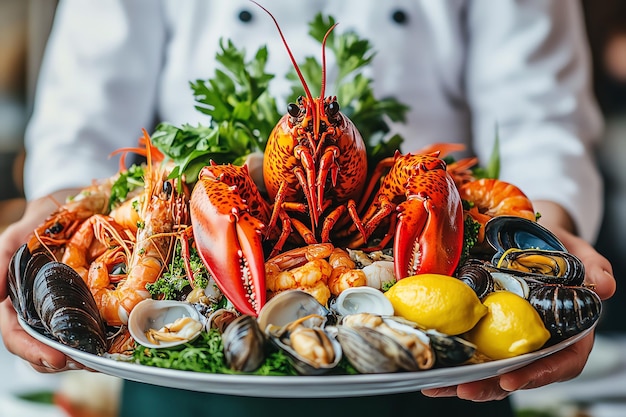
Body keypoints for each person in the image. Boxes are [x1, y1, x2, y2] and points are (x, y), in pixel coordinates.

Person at [0, 1, 615, 416]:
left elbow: (543, 115)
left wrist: (550, 224)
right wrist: (56, 203)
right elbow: (80, 113)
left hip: (435, 381)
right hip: (182, 380)